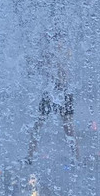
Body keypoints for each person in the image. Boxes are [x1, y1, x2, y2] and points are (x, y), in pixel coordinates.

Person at [26, 29, 79, 164]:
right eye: (55, 40)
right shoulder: (48, 54)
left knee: (68, 127)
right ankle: (30, 157)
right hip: (50, 92)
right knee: (38, 124)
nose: (57, 43)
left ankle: (76, 157)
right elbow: (36, 67)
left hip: (64, 92)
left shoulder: (65, 54)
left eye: (59, 41)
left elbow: (62, 71)